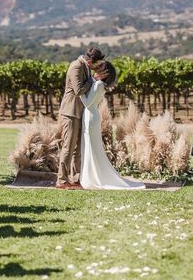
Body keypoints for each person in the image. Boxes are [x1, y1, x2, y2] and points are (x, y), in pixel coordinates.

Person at [79, 61, 144, 190]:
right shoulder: (99, 84)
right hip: (92, 115)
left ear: (106, 73)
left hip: (90, 116)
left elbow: (87, 103)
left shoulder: (98, 84)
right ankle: (90, 176)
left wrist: (78, 91)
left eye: (101, 67)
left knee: (91, 147)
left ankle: (91, 179)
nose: (98, 68)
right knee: (91, 147)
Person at [56, 47, 104, 190]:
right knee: (68, 147)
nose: (98, 66)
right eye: (97, 63)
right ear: (90, 61)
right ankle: (62, 180)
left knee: (78, 148)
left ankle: (75, 179)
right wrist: (94, 79)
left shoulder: (86, 67)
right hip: (70, 112)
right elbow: (78, 90)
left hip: (79, 112)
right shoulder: (76, 66)